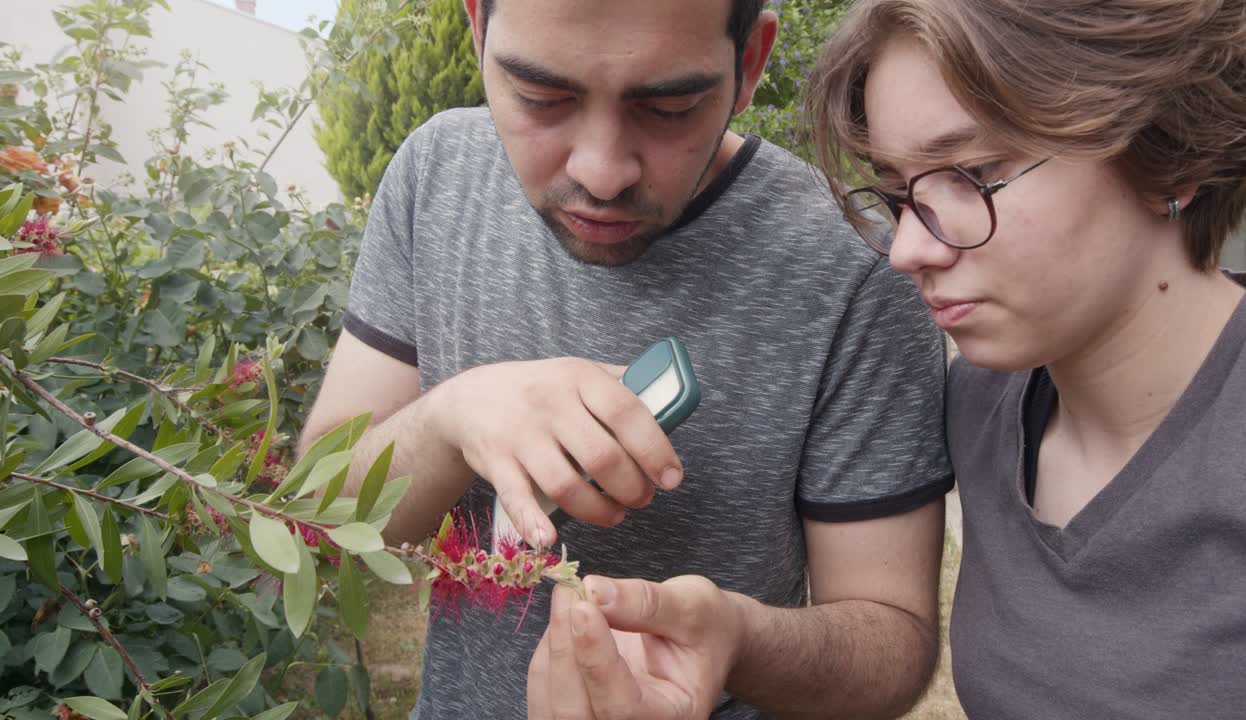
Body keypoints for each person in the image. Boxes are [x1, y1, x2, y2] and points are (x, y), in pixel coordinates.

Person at [299, 0, 953, 718]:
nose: (602, 172)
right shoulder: (435, 177)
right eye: (542, 98)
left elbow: (893, 645)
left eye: (669, 107)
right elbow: (313, 517)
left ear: (749, 64)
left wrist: (739, 640)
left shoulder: (855, 269)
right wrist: (451, 419)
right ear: (479, 30)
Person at [805, 0, 1246, 718]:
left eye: (971, 171)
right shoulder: (980, 404)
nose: (908, 249)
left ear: (1169, 155)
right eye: (902, 192)